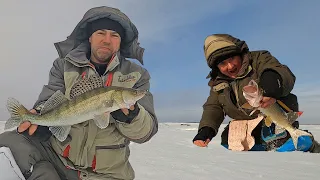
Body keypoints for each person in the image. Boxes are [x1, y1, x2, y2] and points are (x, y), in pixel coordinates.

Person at [0, 6, 158, 180]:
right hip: (58, 159)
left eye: (114, 35)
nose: (107, 40)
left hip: (107, 174)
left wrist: (133, 117)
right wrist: (39, 113)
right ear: (90, 37)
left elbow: (146, 133)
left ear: (120, 41)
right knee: (9, 141)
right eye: (101, 33)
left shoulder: (137, 75)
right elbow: (49, 98)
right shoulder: (63, 66)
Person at [192, 33, 320, 153]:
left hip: (276, 118)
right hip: (250, 124)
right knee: (228, 138)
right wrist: (206, 129)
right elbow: (213, 107)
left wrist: (271, 87)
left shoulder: (258, 59)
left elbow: (281, 72)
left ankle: (306, 144)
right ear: (217, 68)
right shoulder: (218, 84)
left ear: (240, 54)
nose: (230, 66)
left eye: (232, 58)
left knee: (275, 135)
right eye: (223, 63)